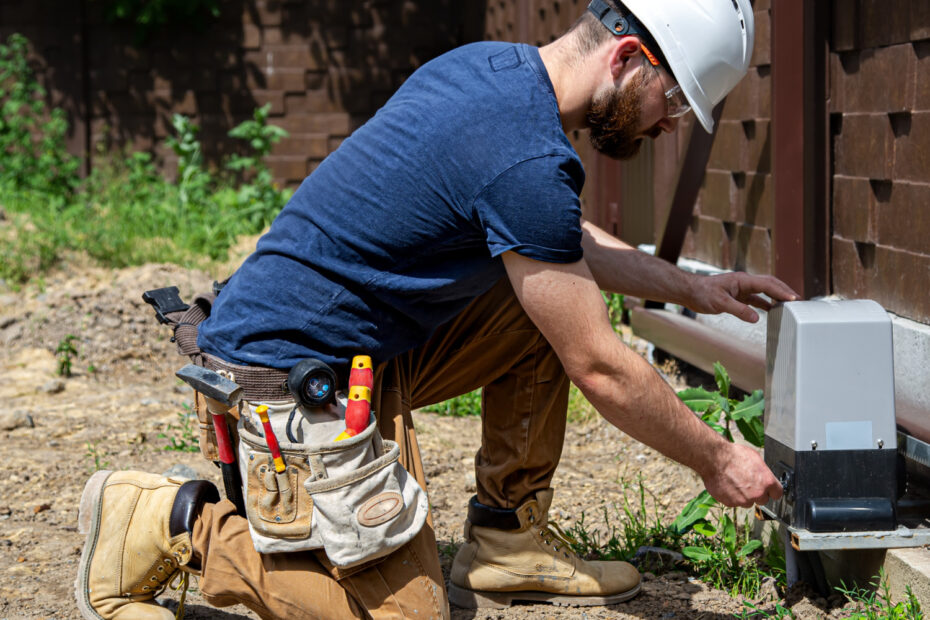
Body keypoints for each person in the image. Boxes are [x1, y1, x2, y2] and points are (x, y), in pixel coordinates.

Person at [75, 0, 795, 618]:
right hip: (283, 376)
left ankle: (507, 540)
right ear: (629, 56)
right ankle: (166, 521)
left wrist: (691, 287)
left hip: (359, 348)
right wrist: (717, 458)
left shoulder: (495, 71)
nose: (667, 125)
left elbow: (559, 243)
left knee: (549, 300)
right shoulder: (524, 154)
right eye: (670, 100)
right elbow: (601, 369)